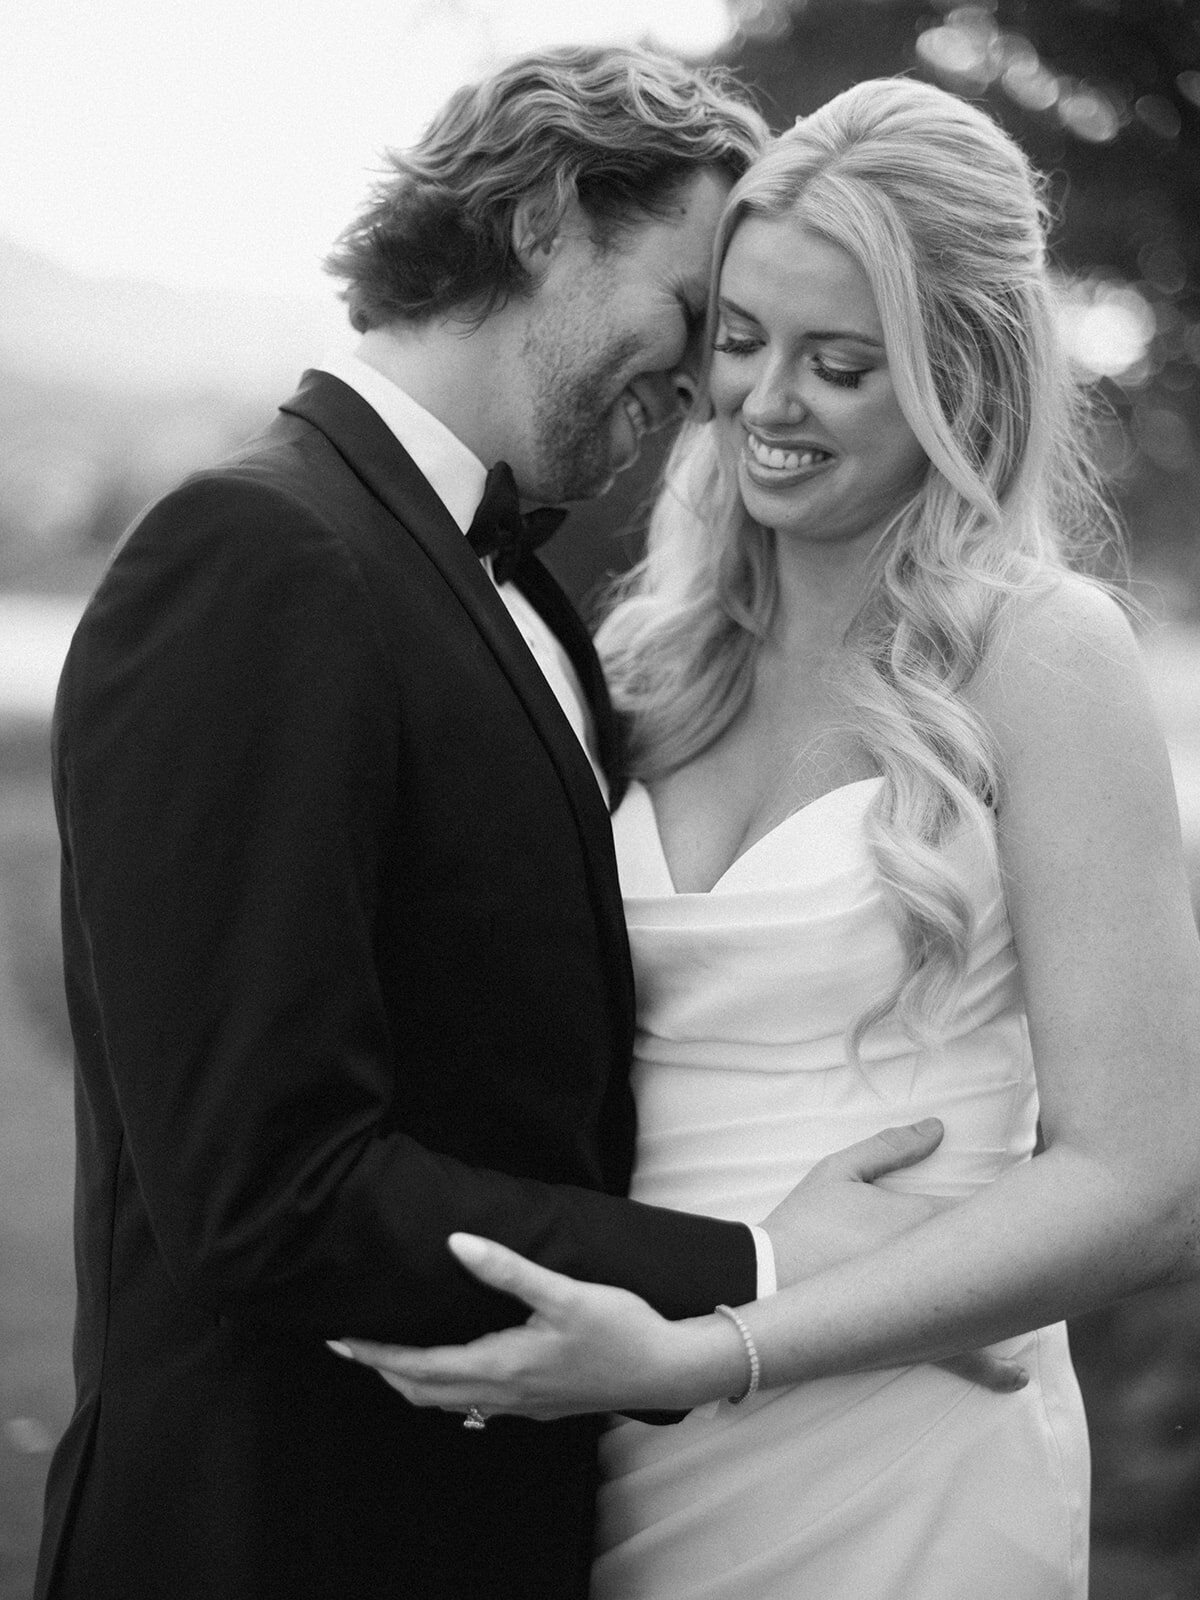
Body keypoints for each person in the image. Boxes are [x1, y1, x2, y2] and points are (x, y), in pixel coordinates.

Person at [33, 50, 1006, 1600]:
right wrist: (752, 1277)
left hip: (512, 1524)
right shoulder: (258, 554)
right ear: (552, 217)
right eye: (699, 319)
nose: (706, 391)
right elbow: (268, 1195)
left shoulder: (523, 595)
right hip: (275, 1535)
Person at [334, 78, 1200, 1600]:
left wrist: (724, 1342)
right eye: (738, 340)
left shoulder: (1041, 656)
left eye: (843, 364)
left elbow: (1147, 1178)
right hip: (602, 1415)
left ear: (962, 378)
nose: (763, 402)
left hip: (890, 1442)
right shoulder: (648, 663)